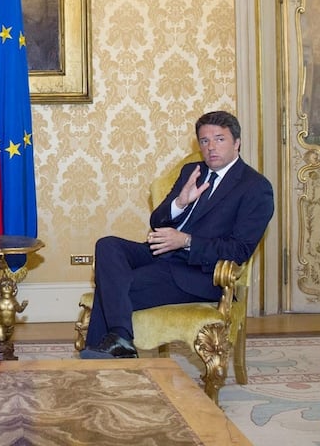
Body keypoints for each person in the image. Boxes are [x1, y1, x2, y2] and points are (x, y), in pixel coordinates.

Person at [80, 110, 274, 359]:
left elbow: (239, 250)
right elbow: (157, 221)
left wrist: (187, 241)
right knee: (107, 245)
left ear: (237, 143)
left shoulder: (256, 187)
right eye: (204, 141)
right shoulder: (191, 172)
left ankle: (107, 351)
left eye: (219, 139)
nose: (211, 147)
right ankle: (121, 341)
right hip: (162, 252)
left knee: (114, 286)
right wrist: (180, 203)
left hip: (200, 273)